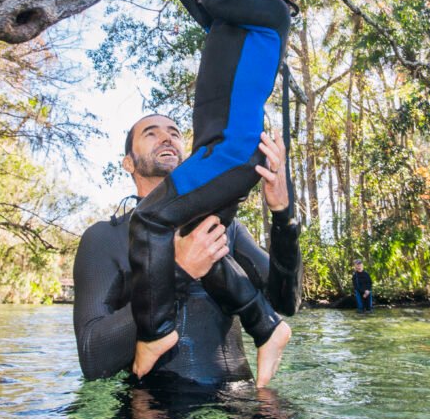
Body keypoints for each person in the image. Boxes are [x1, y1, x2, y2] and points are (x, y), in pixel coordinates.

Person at [128, 0, 303, 386]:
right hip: (225, 152)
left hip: (231, 150)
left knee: (147, 219)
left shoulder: (271, 9)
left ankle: (156, 331)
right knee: (200, 235)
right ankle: (266, 327)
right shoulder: (236, 20)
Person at [72, 114, 302, 387]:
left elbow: (286, 302)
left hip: (238, 398)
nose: (167, 137)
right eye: (151, 133)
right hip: (152, 409)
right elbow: (92, 358)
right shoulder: (104, 237)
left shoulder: (225, 228)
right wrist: (179, 271)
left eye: (174, 132)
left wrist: (282, 214)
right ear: (128, 163)